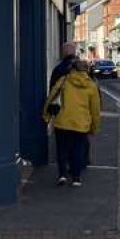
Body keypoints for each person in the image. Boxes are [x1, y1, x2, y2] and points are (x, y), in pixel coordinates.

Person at [42, 59, 101, 187]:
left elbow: (52, 96)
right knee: (78, 151)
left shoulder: (64, 80)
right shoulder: (91, 85)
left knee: (62, 150)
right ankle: (76, 178)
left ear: (72, 68)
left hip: (62, 121)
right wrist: (94, 127)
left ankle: (62, 175)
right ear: (86, 70)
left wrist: (46, 114)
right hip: (81, 124)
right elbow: (95, 109)